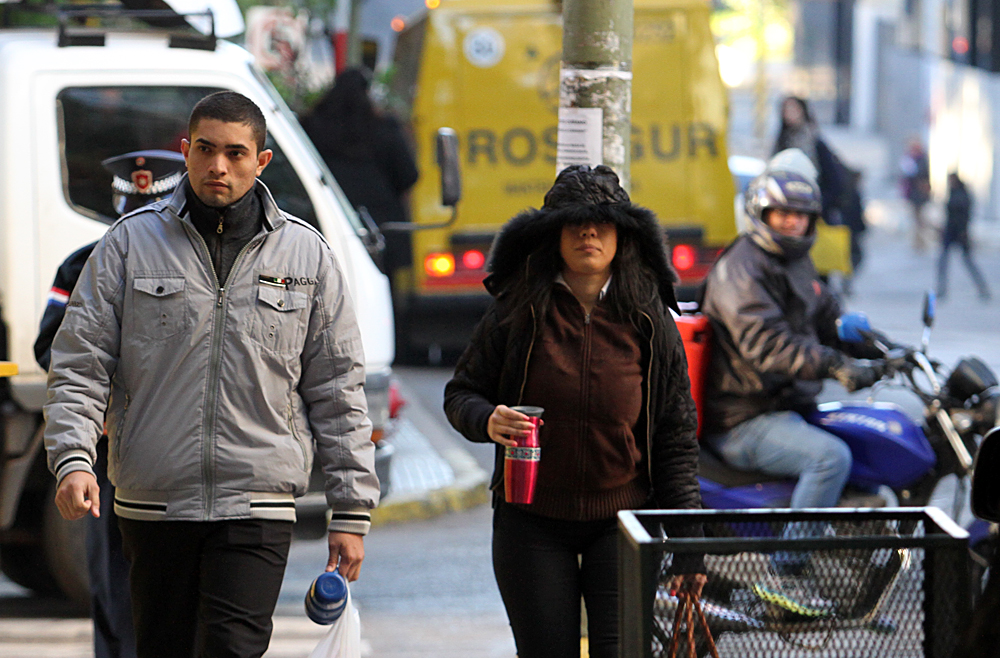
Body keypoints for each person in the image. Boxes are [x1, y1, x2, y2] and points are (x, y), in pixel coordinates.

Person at [43, 91, 379, 658]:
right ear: (186, 151)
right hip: (154, 501)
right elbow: (79, 362)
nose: (218, 166)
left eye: (235, 152)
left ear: (261, 161)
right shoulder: (127, 245)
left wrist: (351, 510)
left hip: (258, 502)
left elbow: (339, 388)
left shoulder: (306, 256)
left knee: (232, 648)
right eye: (204, 149)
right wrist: (73, 460)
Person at [443, 165, 706, 658]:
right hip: (531, 523)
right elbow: (461, 394)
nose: (589, 233)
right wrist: (487, 419)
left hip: (623, 523)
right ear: (552, 236)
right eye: (575, 223)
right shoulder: (516, 308)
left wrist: (690, 546)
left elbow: (675, 434)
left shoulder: (649, 317)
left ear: (622, 237)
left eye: (601, 223)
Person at [34, 150, 186, 658]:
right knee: (116, 588)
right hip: (113, 454)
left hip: (184, 452)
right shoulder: (86, 262)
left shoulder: (202, 264)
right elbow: (54, 347)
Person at [700, 166, 884, 528]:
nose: (793, 223)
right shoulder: (742, 269)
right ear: (761, 214)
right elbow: (766, 344)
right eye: (783, 213)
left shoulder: (795, 261)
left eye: (801, 215)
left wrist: (882, 349)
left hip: (786, 404)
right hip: (745, 416)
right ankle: (790, 571)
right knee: (830, 458)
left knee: (869, 441)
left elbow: (829, 317)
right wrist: (834, 365)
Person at [302, 67, 419, 277]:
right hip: (381, 231)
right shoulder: (384, 128)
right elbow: (409, 175)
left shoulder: (311, 127)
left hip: (328, 223)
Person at [773, 96, 846, 226]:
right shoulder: (780, 141)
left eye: (794, 108)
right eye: (786, 109)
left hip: (813, 213)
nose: (790, 113)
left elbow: (834, 181)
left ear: (803, 111)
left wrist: (817, 206)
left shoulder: (814, 141)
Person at [937, 171, 990, 302]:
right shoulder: (953, 192)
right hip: (950, 231)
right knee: (943, 261)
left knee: (968, 261)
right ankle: (941, 289)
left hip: (959, 232)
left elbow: (964, 215)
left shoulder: (961, 194)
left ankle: (982, 288)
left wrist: (963, 231)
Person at [899, 139, 932, 251]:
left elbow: (921, 175)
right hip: (913, 194)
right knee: (917, 219)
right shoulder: (909, 158)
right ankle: (919, 241)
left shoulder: (921, 159)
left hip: (919, 194)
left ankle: (920, 241)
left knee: (919, 219)